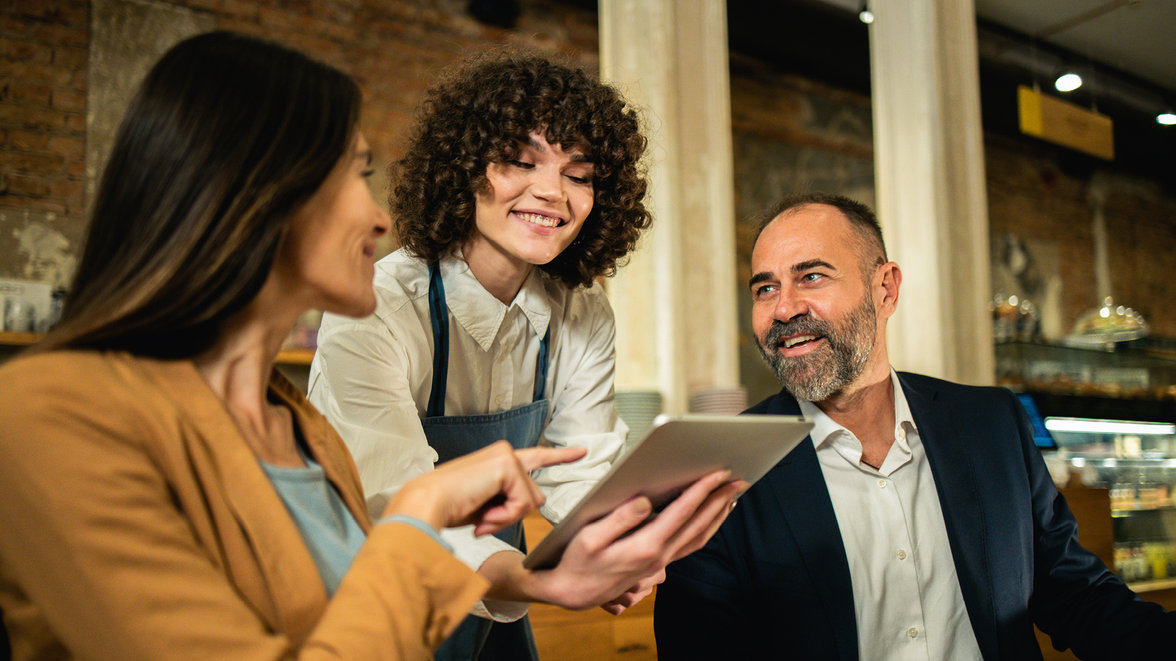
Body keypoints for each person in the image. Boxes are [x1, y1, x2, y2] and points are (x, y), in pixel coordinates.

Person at [0, 31, 708, 661]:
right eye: (355, 171)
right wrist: (429, 513)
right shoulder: (49, 413)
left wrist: (616, 538)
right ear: (255, 192)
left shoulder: (300, 428)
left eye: (578, 174)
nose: (377, 214)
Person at [307, 51, 741, 661]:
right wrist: (535, 580)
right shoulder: (378, 305)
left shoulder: (582, 311)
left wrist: (622, 545)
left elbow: (577, 465)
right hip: (375, 613)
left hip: (496, 617)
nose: (552, 193)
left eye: (580, 174)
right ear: (462, 167)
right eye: (521, 161)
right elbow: (390, 497)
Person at [654, 193, 1176, 659]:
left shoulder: (992, 425)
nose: (784, 307)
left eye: (811, 276)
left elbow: (1075, 594)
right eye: (765, 288)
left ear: (885, 290)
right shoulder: (717, 472)